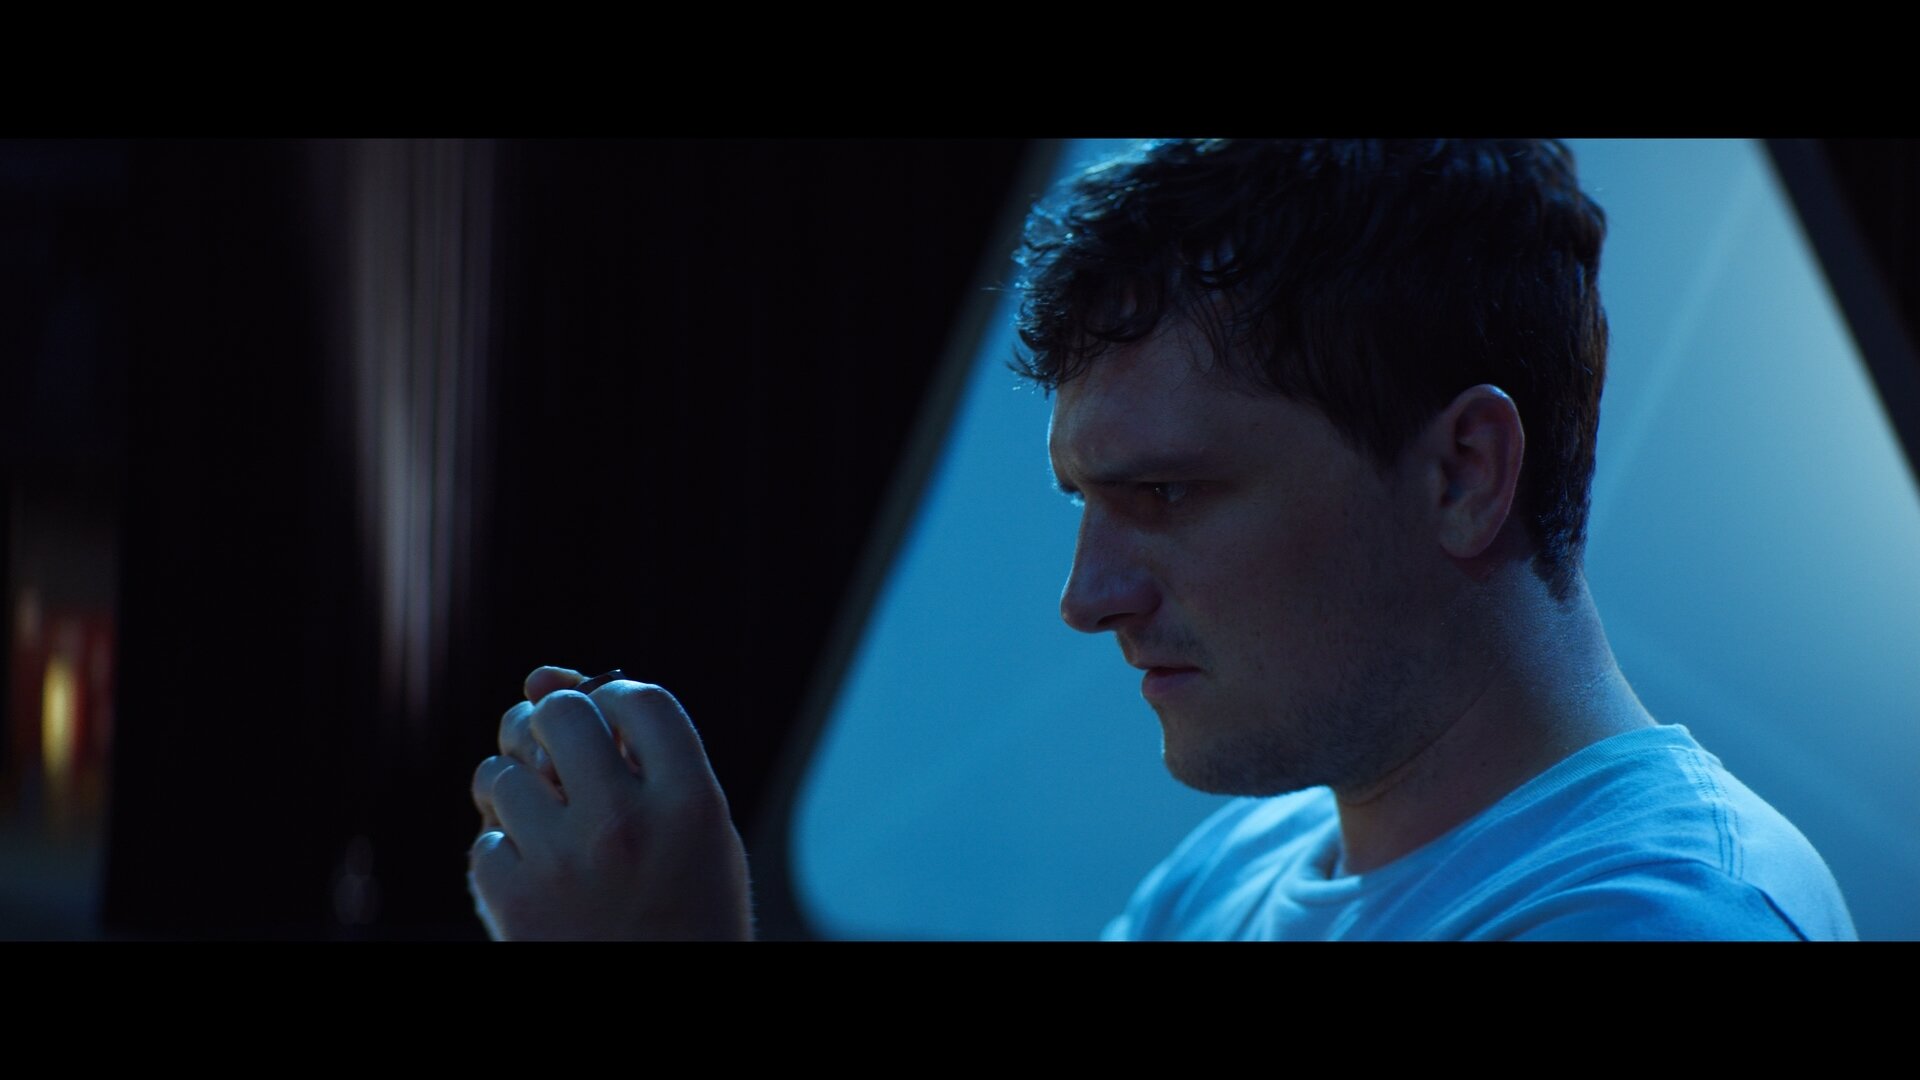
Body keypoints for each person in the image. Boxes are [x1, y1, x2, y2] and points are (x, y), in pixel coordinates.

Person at [467, 139, 1857, 941]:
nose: (1088, 597)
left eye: (1169, 496)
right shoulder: (1233, 876)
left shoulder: (1657, 920)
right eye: (1085, 499)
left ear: (1463, 472)